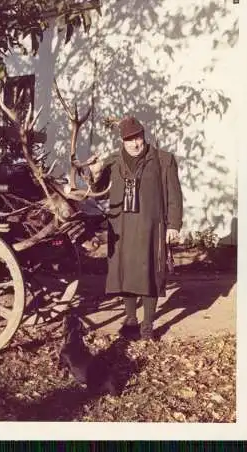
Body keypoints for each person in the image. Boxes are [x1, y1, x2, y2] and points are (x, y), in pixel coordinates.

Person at [89, 116, 183, 341]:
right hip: (120, 227)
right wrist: (95, 173)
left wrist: (174, 225)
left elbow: (174, 196)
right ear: (122, 141)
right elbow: (98, 188)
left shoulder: (163, 160)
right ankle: (131, 320)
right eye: (129, 139)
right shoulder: (112, 161)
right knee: (125, 273)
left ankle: (148, 325)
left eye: (137, 137)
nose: (134, 143)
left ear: (144, 135)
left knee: (150, 274)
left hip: (151, 227)